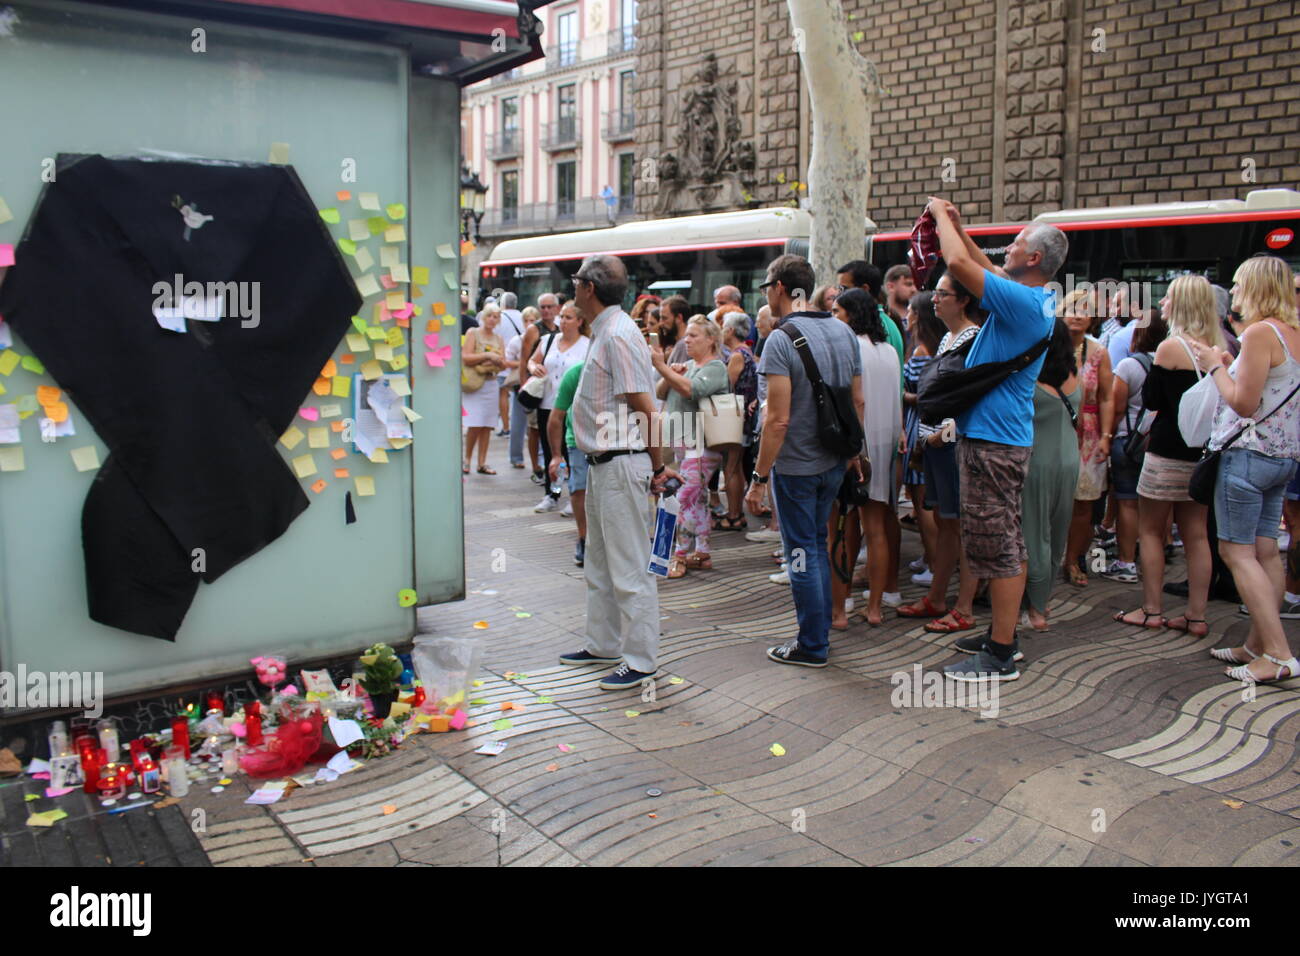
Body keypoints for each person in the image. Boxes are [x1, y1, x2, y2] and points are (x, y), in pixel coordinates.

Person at [927, 197, 1066, 681]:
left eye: (1018, 242)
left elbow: (960, 265)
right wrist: (960, 227)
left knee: (999, 548)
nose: (1008, 246)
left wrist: (943, 218)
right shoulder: (1031, 294)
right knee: (1007, 543)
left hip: (993, 444)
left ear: (1033, 259)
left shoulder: (1026, 301)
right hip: (998, 440)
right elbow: (979, 261)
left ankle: (1001, 653)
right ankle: (1002, 636)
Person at [560, 254, 675, 690]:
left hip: (622, 462)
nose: (573, 288)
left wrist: (660, 467)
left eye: (576, 281)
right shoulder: (607, 330)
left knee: (628, 566)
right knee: (601, 562)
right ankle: (602, 643)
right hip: (603, 463)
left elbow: (646, 407)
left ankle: (641, 659)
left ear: (589, 288)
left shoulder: (619, 334)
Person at [746, 254, 863, 667]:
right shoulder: (843, 331)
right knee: (816, 542)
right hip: (834, 460)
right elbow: (857, 400)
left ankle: (812, 643)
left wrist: (758, 477)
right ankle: (817, 632)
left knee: (801, 551)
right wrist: (853, 453)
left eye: (766, 286)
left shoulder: (780, 339)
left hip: (796, 465)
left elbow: (777, 420)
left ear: (779, 288)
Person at [1189, 256, 1300, 682]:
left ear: (1255, 288)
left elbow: (1243, 402)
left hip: (1248, 455)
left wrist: (1217, 364)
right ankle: (1257, 643)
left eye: (1237, 284)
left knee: (1237, 553)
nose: (1232, 292)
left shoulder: (1259, 332)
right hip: (1282, 456)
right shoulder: (1291, 332)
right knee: (1267, 550)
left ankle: (1276, 654)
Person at [1116, 275, 1222, 633]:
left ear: (1182, 304)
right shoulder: (1221, 348)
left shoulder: (1171, 347)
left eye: (1168, 299)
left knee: (1150, 531)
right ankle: (1196, 615)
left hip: (1165, 453)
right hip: (1201, 455)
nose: (1161, 305)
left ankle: (1151, 609)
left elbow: (1153, 402)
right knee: (1196, 535)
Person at [905, 272, 984, 632]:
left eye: (942, 293)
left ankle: (963, 606)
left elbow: (976, 398)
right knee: (945, 522)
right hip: (935, 443)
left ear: (963, 299)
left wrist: (944, 434)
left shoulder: (974, 340)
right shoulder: (950, 338)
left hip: (953, 445)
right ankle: (938, 597)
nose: (934, 299)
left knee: (961, 525)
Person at [833, 288, 902, 627]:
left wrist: (852, 448)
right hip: (884, 445)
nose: (833, 317)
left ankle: (840, 608)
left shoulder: (848, 347)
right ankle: (874, 608)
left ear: (851, 314)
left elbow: (853, 400)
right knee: (876, 529)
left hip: (855, 448)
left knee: (842, 528)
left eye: (837, 311)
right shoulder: (890, 350)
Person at [652, 317, 730, 576]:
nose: (687, 340)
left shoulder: (716, 367)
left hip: (703, 444)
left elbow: (692, 390)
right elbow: (661, 392)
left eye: (694, 335)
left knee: (680, 496)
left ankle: (679, 556)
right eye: (686, 335)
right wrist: (670, 372)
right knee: (697, 498)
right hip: (682, 442)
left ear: (711, 340)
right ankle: (702, 552)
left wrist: (664, 368)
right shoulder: (686, 365)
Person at [1021, 319, 1081, 630]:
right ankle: (1042, 601)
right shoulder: (1073, 372)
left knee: (1034, 534)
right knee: (1057, 532)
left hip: (1037, 460)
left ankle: (1035, 610)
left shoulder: (1030, 373)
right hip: (1070, 459)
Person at [1103, 313, 1168, 583]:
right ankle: (1157, 553)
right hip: (1159, 444)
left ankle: (1126, 562)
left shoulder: (1129, 366)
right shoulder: (1172, 362)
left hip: (1128, 442)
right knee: (1158, 506)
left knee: (1128, 502)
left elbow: (1116, 407)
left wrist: (1106, 436)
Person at [1060, 288, 1116, 588]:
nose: (1077, 316)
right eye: (1071, 309)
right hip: (1056, 429)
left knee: (1084, 503)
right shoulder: (1050, 348)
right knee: (1052, 500)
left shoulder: (1099, 353)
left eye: (1084, 310)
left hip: (1090, 434)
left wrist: (1106, 436)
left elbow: (1108, 397)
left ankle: (1072, 559)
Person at [528, 301, 590, 513]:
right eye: (561, 317)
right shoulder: (548, 340)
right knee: (550, 452)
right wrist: (534, 367)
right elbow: (532, 361)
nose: (562, 321)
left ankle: (574, 494)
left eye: (568, 317)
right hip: (548, 404)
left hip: (573, 408)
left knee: (571, 451)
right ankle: (552, 493)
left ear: (580, 321)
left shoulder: (587, 344)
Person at [900, 291, 943, 586]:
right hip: (933, 426)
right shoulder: (941, 343)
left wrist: (899, 393)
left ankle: (935, 563)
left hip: (919, 426)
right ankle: (931, 558)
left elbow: (922, 395)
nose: (906, 315)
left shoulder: (921, 350)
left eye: (910, 310)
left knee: (922, 501)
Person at [718, 311, 757, 531]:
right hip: (744, 418)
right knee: (737, 467)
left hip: (734, 418)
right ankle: (737, 512)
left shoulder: (736, 355)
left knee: (731, 468)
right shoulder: (747, 351)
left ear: (731, 330)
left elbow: (726, 385)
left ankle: (733, 515)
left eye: (724, 326)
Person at [548, 360, 588, 567]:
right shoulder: (576, 373)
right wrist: (556, 456)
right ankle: (583, 539)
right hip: (578, 440)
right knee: (579, 489)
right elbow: (556, 417)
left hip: (613, 441)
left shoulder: (622, 369)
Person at [519, 292, 560, 484]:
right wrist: (523, 386)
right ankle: (536, 466)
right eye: (542, 307)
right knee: (535, 428)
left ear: (556, 308)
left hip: (555, 387)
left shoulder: (561, 328)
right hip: (537, 388)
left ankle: (554, 465)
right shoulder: (534, 330)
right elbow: (524, 360)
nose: (546, 310)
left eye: (549, 306)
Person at [461, 304, 506, 474]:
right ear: (483, 317)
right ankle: (467, 459)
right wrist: (487, 356)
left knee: (487, 424)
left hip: (491, 383)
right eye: (489, 316)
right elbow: (466, 357)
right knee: (475, 423)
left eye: (495, 316)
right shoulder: (473, 333)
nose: (492, 319)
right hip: (475, 384)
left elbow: (503, 362)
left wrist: (496, 362)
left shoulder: (498, 338)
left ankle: (482, 462)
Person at [505, 305, 538, 468]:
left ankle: (539, 459)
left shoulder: (542, 338)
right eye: (527, 320)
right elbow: (507, 361)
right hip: (521, 384)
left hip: (538, 384)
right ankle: (516, 457)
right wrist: (524, 363)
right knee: (518, 422)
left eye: (532, 320)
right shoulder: (516, 341)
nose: (529, 323)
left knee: (536, 424)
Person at [496, 292, 526, 437]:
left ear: (502, 303)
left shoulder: (499, 318)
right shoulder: (523, 316)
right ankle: (522, 427)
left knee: (503, 393)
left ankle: (506, 427)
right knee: (521, 395)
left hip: (504, 363)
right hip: (521, 363)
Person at [883, 264, 918, 345]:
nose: (914, 289)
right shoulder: (881, 319)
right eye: (908, 284)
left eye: (916, 285)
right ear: (890, 287)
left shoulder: (919, 320)